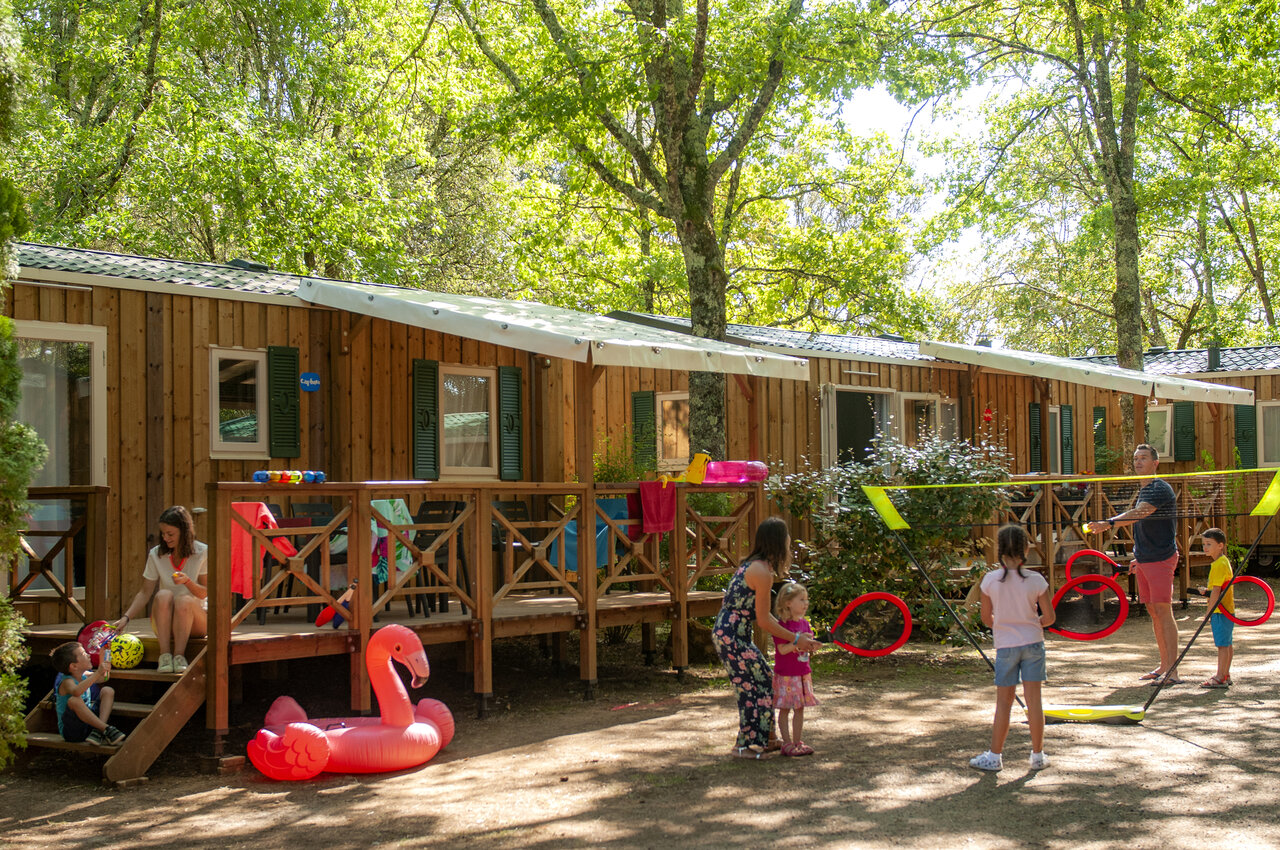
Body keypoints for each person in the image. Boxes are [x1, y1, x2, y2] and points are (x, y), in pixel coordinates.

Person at [712, 517, 822, 759]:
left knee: (763, 680)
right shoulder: (761, 572)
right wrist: (795, 639)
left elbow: (765, 618)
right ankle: (748, 746)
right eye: (787, 539)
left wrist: (797, 638)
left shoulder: (756, 566)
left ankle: (767, 739)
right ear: (778, 542)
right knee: (755, 685)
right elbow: (763, 620)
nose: (790, 543)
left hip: (733, 633)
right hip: (732, 635)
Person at [1089, 444, 1181, 684]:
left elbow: (1141, 513)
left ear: (1155, 463)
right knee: (1153, 612)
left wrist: (1108, 523)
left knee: (1163, 610)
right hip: (1146, 558)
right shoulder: (1144, 489)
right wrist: (1137, 557)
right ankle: (1163, 666)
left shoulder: (1159, 488)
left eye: (1143, 458)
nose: (1138, 462)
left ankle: (1173, 671)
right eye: (1136, 458)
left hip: (1162, 558)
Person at [970, 524, 1054, 772]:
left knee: (1004, 703)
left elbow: (986, 619)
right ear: (1025, 548)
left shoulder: (989, 581)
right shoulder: (1036, 580)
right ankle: (1038, 755)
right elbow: (1049, 617)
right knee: (1034, 701)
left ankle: (995, 757)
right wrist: (1033, 622)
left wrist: (1004, 625)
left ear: (1000, 550)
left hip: (1006, 646)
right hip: (1033, 643)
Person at [113, 506, 209, 674]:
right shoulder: (156, 554)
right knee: (163, 594)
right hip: (166, 621)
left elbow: (204, 592)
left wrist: (187, 581)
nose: (165, 538)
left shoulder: (202, 552)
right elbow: (144, 592)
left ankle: (179, 656)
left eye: (170, 534)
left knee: (184, 599)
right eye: (163, 534)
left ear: (184, 532)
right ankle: (164, 656)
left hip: (196, 621)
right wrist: (126, 618)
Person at [772, 581, 819, 757]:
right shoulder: (781, 626)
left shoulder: (805, 624)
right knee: (785, 709)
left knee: (800, 708)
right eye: (801, 599)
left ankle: (798, 742)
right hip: (786, 676)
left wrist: (813, 645)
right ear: (788, 603)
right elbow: (782, 650)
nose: (806, 603)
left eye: (806, 599)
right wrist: (797, 641)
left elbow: (807, 648)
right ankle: (786, 744)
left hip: (802, 674)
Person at [49, 641, 125, 746]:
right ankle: (106, 728)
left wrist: (104, 655)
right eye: (84, 654)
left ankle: (99, 731)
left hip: (89, 724)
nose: (88, 655)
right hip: (73, 732)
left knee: (107, 690)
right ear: (74, 666)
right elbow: (76, 691)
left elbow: (104, 677)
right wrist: (98, 672)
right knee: (74, 700)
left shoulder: (84, 675)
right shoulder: (67, 682)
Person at [1195, 528, 1235, 689]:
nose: (1205, 547)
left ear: (1220, 545)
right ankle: (1225, 674)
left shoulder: (1218, 564)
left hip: (1220, 611)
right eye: (1204, 544)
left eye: (1209, 544)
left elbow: (1217, 591)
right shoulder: (1222, 562)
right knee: (1227, 643)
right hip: (1225, 609)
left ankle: (1220, 676)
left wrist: (1208, 613)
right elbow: (1217, 588)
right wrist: (1207, 591)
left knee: (1222, 645)